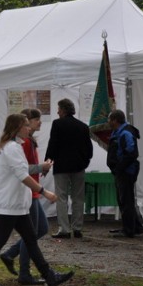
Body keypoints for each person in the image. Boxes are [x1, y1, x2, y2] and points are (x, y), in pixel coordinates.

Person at [0, 114, 73, 286]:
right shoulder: (12, 148)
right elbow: (22, 176)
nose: (29, 128)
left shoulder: (10, 147)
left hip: (16, 205)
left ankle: (48, 274)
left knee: (30, 240)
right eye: (26, 125)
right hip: (10, 205)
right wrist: (45, 192)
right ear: (17, 127)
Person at [0, 108, 54, 285]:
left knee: (39, 230)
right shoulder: (22, 144)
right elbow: (23, 170)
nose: (38, 124)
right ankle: (24, 271)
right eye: (36, 120)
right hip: (29, 191)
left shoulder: (27, 142)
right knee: (32, 233)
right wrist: (41, 168)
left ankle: (11, 255)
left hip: (31, 191)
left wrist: (40, 169)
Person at [45, 98, 93, 239]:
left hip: (61, 167)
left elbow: (52, 144)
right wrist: (84, 162)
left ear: (64, 110)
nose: (57, 111)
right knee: (78, 197)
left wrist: (47, 163)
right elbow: (88, 149)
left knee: (61, 198)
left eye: (59, 108)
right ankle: (77, 228)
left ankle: (64, 229)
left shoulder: (57, 124)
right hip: (78, 167)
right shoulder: (83, 126)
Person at [107, 109, 143, 238]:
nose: (108, 122)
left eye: (109, 119)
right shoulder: (119, 132)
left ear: (115, 120)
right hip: (123, 171)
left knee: (125, 200)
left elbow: (132, 153)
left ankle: (129, 230)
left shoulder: (125, 133)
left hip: (126, 172)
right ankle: (136, 227)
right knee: (125, 199)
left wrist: (119, 168)